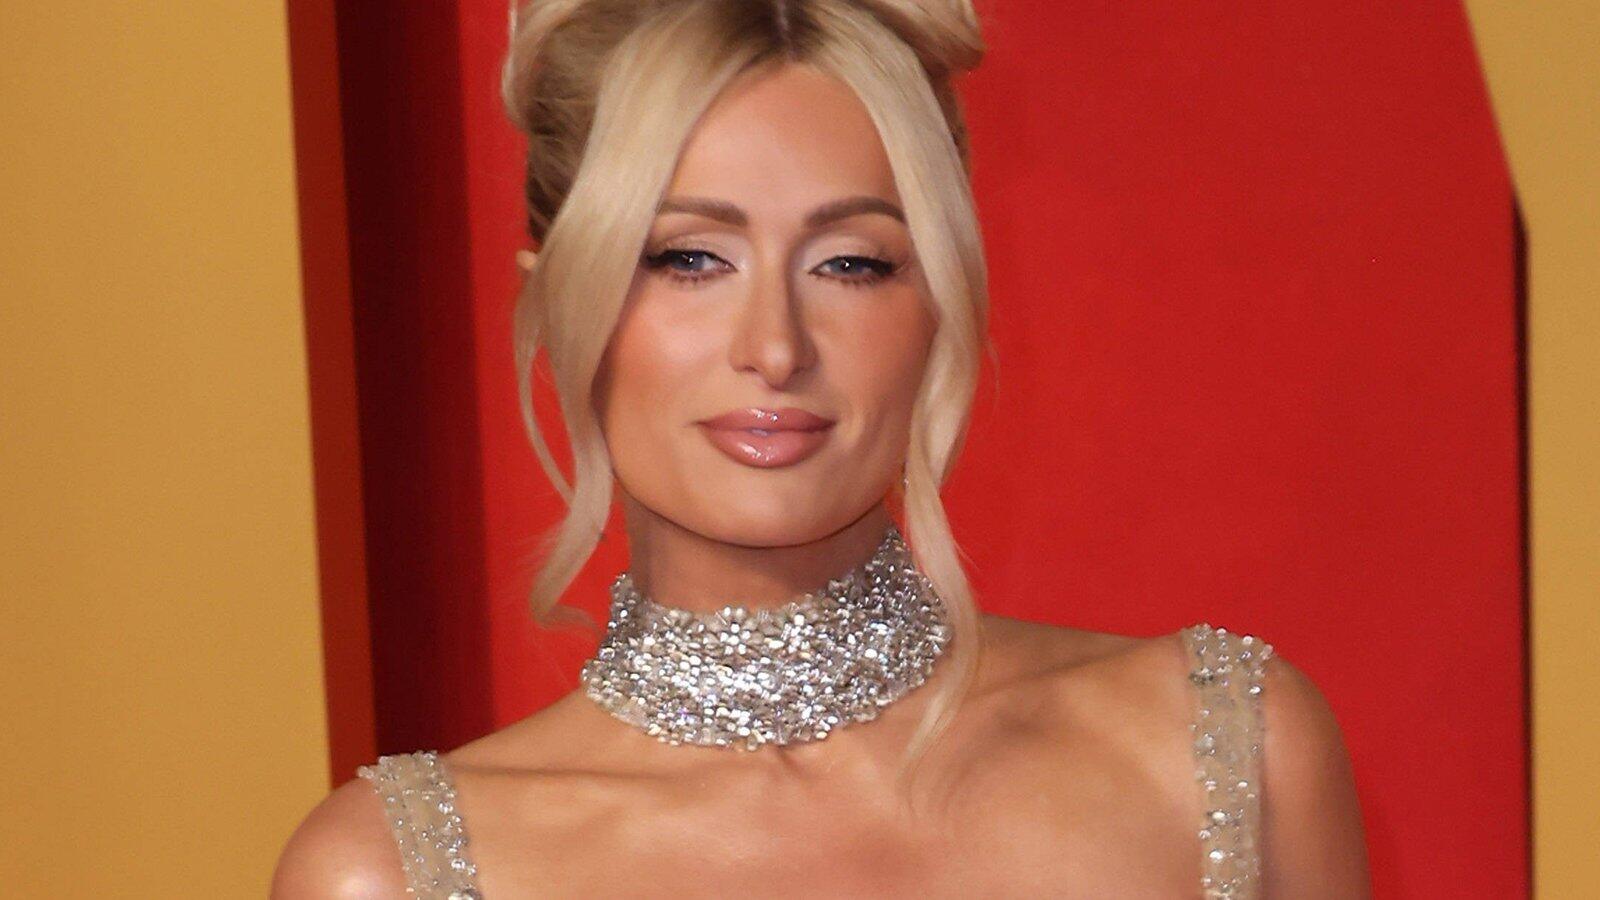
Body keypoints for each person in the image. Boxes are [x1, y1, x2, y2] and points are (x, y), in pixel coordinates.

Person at [273, 0, 1371, 896]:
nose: (775, 347)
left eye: (851, 263)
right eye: (688, 258)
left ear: (940, 300)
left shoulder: (1221, 744)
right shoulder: (396, 873)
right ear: (560, 307)